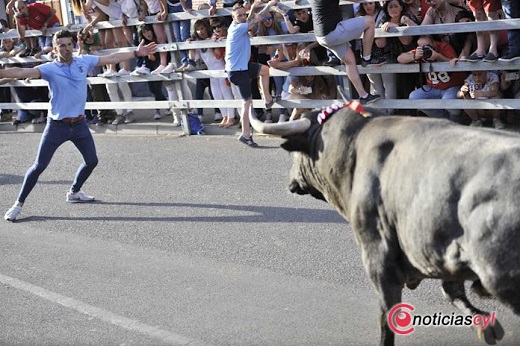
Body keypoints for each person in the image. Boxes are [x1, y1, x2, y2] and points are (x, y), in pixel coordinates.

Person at [3, 30, 156, 221]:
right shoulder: (50, 68)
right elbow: (21, 72)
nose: (66, 49)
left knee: (92, 161)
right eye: (62, 45)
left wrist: (136, 53)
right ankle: (18, 204)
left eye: (69, 45)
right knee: (39, 166)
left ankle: (74, 192)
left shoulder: (83, 62)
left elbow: (112, 57)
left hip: (79, 124)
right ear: (56, 47)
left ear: (73, 45)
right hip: (57, 126)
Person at [225, 0, 276, 148]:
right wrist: (269, 5)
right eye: (239, 15)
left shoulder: (240, 25)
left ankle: (267, 99)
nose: (242, 17)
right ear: (233, 17)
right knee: (247, 103)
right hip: (237, 71)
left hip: (244, 67)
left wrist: (252, 7)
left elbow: (249, 20)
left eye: (243, 14)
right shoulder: (236, 29)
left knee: (265, 70)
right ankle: (245, 134)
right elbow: (257, 19)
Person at [311, 0, 381, 105]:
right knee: (370, 21)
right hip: (332, 32)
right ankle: (367, 58)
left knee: (349, 61)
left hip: (321, 36)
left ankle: (364, 96)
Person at [397, 35, 467, 120]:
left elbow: (454, 62)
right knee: (414, 97)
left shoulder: (443, 47)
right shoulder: (421, 51)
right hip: (433, 88)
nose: (425, 48)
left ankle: (457, 121)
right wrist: (414, 56)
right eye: (421, 47)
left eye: (428, 46)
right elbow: (400, 58)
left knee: (448, 101)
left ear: (434, 43)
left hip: (452, 86)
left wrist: (438, 56)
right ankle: (443, 120)